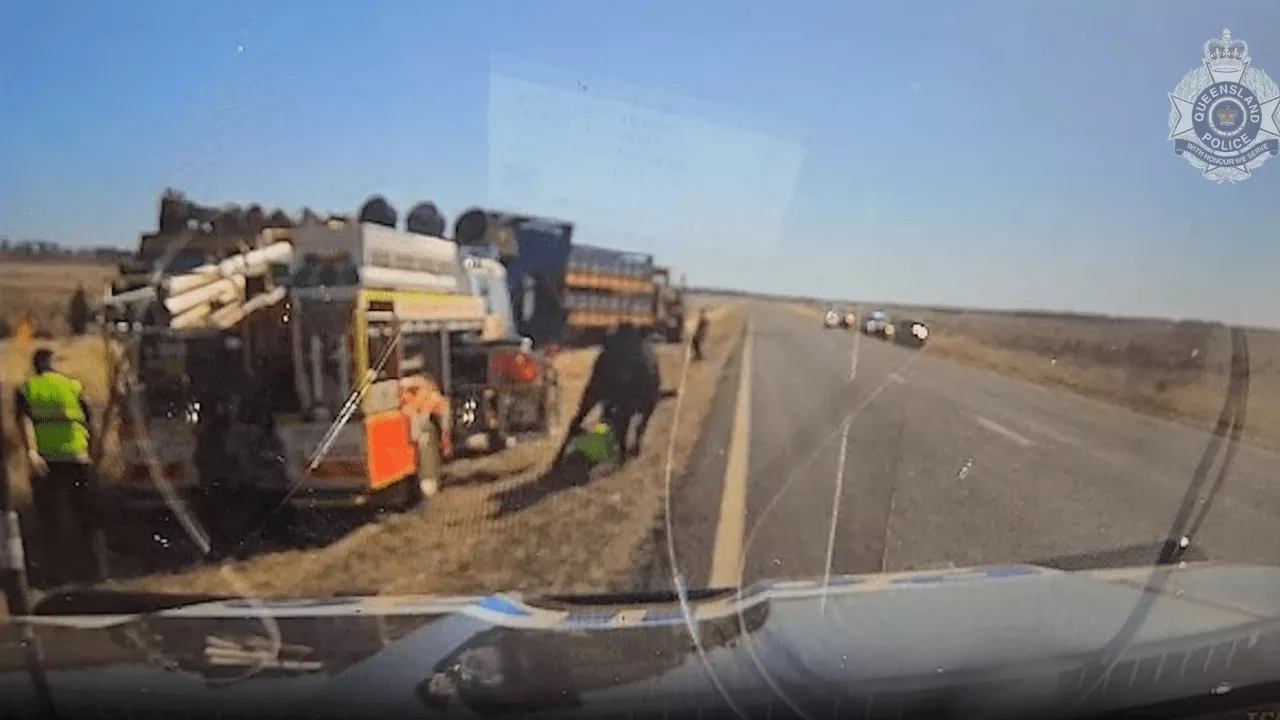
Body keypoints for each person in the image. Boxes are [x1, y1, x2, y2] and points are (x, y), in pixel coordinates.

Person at [14, 347, 108, 585]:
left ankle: (54, 576)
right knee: (87, 517)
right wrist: (94, 452)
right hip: (78, 458)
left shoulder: (27, 389)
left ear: (35, 365)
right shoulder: (73, 386)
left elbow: (25, 421)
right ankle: (95, 573)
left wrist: (32, 453)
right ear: (52, 364)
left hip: (47, 462)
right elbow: (88, 420)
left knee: (50, 520)